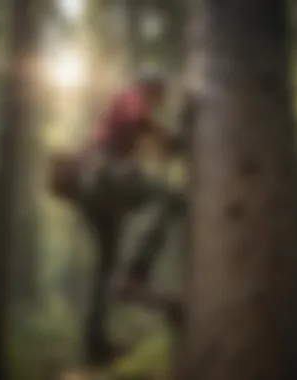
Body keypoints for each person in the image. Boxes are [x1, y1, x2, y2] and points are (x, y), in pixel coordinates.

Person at [49, 70, 184, 368]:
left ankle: (94, 345)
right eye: (157, 95)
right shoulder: (131, 95)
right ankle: (135, 274)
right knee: (169, 199)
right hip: (100, 179)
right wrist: (174, 140)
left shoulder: (123, 109)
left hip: (91, 196)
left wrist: (169, 145)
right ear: (149, 87)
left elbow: (148, 137)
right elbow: (141, 120)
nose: (157, 102)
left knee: (105, 266)